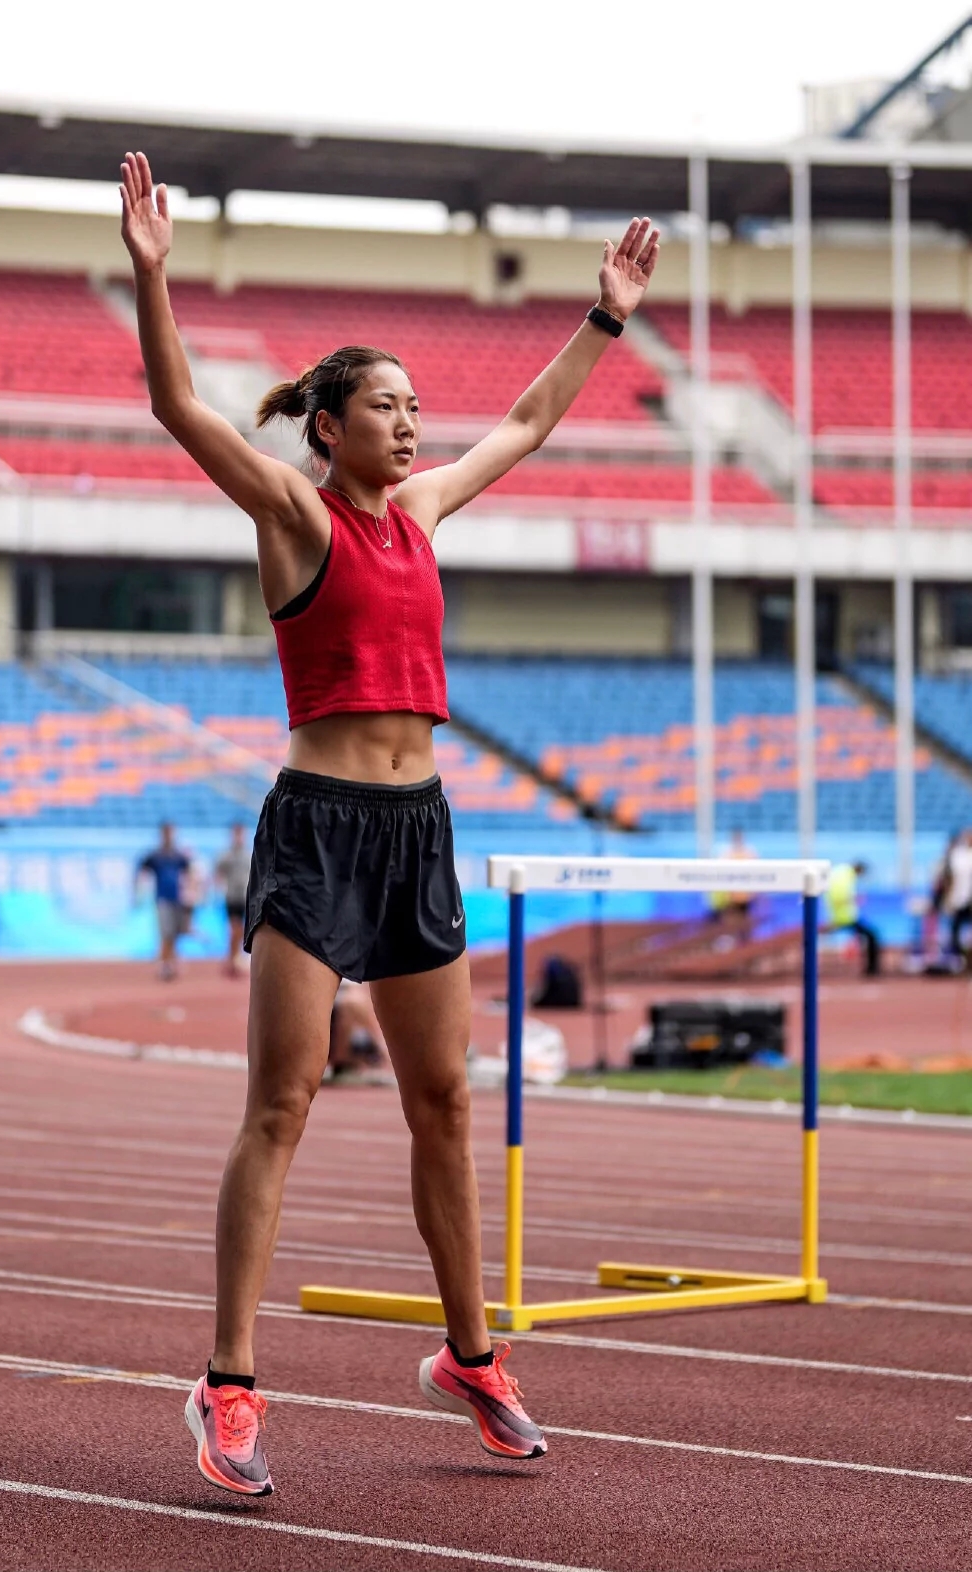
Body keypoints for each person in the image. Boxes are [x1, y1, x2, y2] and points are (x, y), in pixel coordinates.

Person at [119, 148, 659, 1496]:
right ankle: (228, 1383)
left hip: (417, 831)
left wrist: (603, 318)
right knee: (282, 1105)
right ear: (331, 425)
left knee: (441, 1105)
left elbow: (528, 425)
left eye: (418, 408)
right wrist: (153, 276)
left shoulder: (422, 512)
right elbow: (178, 404)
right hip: (314, 832)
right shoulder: (295, 516)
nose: (413, 427)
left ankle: (470, 1357)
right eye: (388, 407)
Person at [136, 821, 191, 982]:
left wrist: (189, 893)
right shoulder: (156, 855)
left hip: (177, 898)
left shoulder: (178, 855)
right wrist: (139, 892)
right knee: (166, 932)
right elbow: (142, 871)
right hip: (163, 899)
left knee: (174, 932)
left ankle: (170, 962)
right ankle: (165, 964)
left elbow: (189, 873)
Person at [825, 860, 880, 977]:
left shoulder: (842, 873)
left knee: (870, 934)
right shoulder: (845, 876)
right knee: (872, 935)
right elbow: (839, 898)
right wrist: (854, 899)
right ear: (859, 870)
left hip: (843, 917)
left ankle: (871, 969)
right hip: (844, 918)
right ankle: (872, 969)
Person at [215, 823, 250, 978]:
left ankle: (233, 958)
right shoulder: (226, 856)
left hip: (245, 896)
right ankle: (233, 959)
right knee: (234, 928)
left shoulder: (249, 855)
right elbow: (218, 873)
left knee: (240, 929)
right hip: (232, 897)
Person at [943, 827, 972, 961]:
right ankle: (960, 957)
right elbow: (950, 878)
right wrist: (949, 897)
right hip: (959, 897)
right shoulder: (958, 855)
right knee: (955, 928)